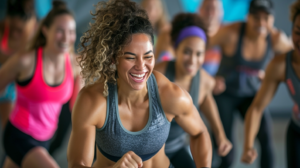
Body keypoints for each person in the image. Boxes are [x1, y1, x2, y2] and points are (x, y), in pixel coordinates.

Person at [67, 0, 212, 168]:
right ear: (114, 58)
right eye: (130, 57)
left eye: (148, 56)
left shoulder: (169, 95)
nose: (141, 66)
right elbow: (77, 164)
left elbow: (200, 132)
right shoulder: (92, 101)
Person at [209, 0, 293, 167]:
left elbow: (294, 58)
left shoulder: (276, 38)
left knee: (266, 139)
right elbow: (198, 47)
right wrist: (209, 80)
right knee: (227, 151)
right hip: (225, 95)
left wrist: (272, 72)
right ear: (248, 17)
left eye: (266, 18)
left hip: (251, 95)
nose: (261, 23)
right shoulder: (231, 32)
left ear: (272, 19)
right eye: (256, 18)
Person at [0, 1, 81, 167]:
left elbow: (78, 108)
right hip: (19, 135)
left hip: (45, 139)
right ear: (45, 30)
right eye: (60, 31)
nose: (66, 37)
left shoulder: (75, 65)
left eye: (71, 31)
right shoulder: (26, 61)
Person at [154, 13, 232, 168]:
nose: (193, 60)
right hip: (151, 151)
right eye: (187, 52)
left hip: (176, 148)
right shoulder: (158, 75)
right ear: (176, 49)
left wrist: (220, 135)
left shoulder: (204, 80)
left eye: (199, 54)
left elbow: (206, 100)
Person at [241, 1, 299, 167]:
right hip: (297, 131)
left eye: (265, 17)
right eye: (298, 32)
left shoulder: (278, 39)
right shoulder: (280, 65)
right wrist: (248, 145)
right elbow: (257, 108)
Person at [0, 0, 36, 129]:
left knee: (9, 127)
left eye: (19, 31)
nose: (15, 33)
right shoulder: (2, 28)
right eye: (13, 28)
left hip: (16, 86)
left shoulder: (33, 37)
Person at [198, 0, 223, 76]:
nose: (210, 13)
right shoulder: (192, 34)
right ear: (200, 10)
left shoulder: (227, 36)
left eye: (214, 9)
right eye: (207, 8)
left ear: (220, 12)